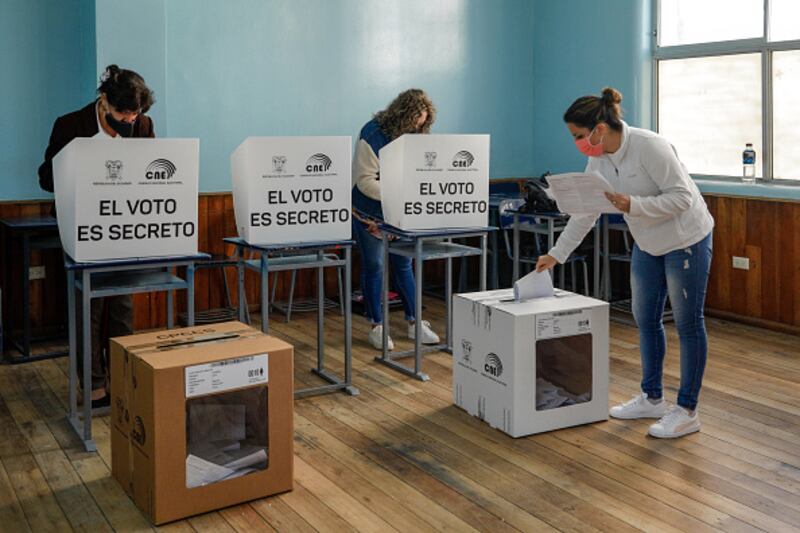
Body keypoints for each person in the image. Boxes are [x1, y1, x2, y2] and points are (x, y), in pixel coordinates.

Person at [536, 87, 714, 439]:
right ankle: (652, 397)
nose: (577, 143)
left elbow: (682, 197)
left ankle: (687, 409)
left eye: (578, 136)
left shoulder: (651, 147)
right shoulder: (599, 159)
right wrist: (557, 254)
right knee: (645, 319)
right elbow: (587, 210)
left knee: (687, 323)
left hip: (685, 240)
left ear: (600, 127)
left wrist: (633, 204)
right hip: (647, 243)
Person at [38, 64, 155, 407]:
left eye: (136, 113)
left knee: (122, 306)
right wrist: (76, 158)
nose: (130, 120)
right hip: (80, 225)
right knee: (86, 306)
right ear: (103, 101)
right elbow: (45, 179)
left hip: (124, 228)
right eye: (123, 112)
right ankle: (93, 386)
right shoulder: (70, 125)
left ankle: (122, 380)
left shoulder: (142, 125)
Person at [352, 88, 441, 350]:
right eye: (414, 122)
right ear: (402, 116)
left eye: (422, 125)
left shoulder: (414, 137)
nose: (417, 128)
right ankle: (376, 326)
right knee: (375, 266)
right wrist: (399, 193)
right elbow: (364, 181)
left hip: (400, 211)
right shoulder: (371, 134)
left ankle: (415, 322)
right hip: (368, 211)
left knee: (404, 265)